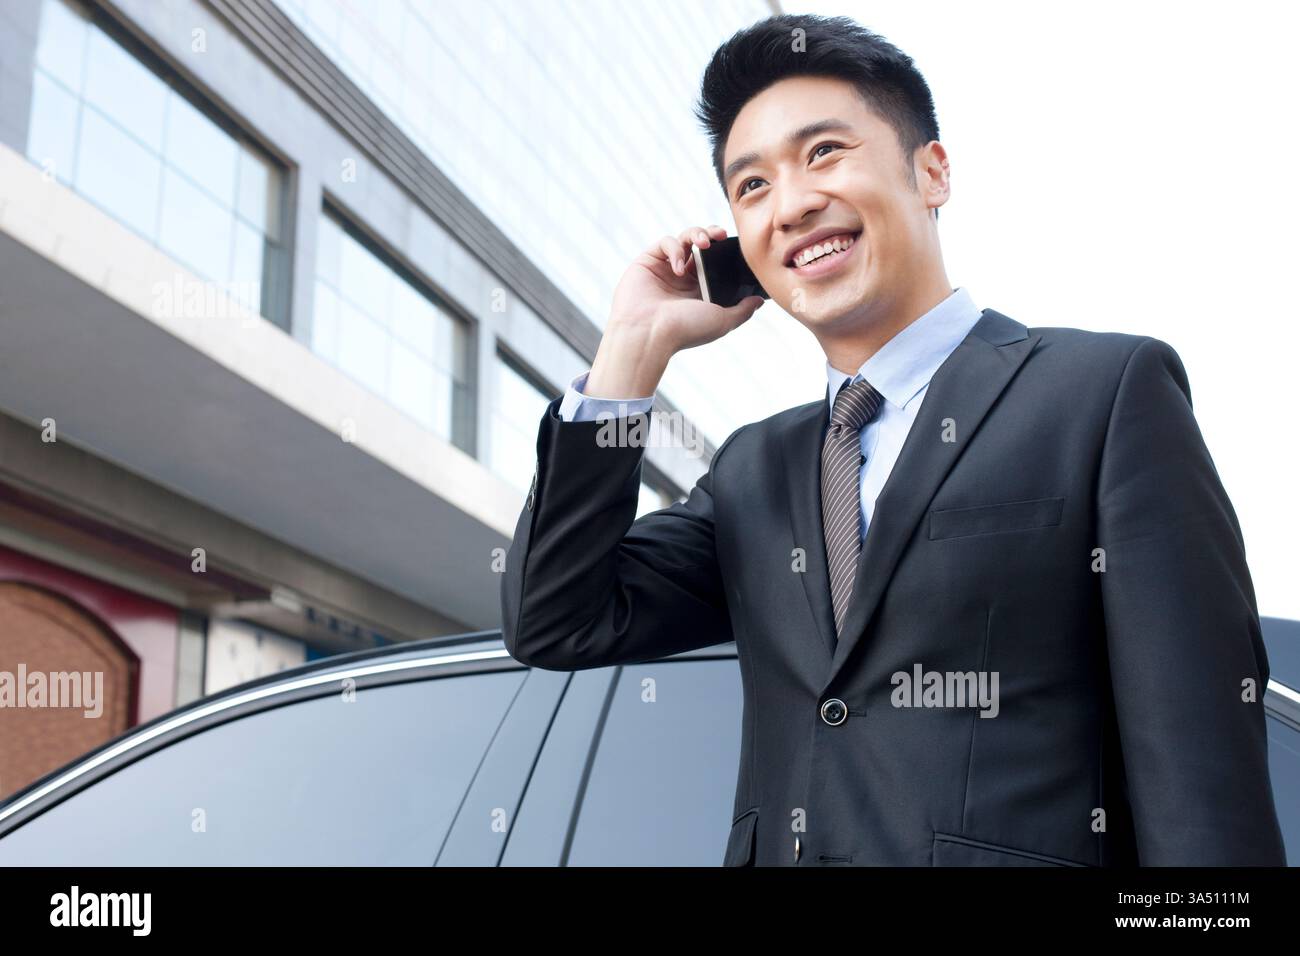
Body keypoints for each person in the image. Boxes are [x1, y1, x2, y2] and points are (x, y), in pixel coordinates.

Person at [500, 13, 1286, 867]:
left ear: (933, 171)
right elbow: (557, 622)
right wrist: (633, 350)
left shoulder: (1103, 396)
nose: (793, 203)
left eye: (825, 152)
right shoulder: (753, 470)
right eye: (752, 186)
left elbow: (1200, 775)